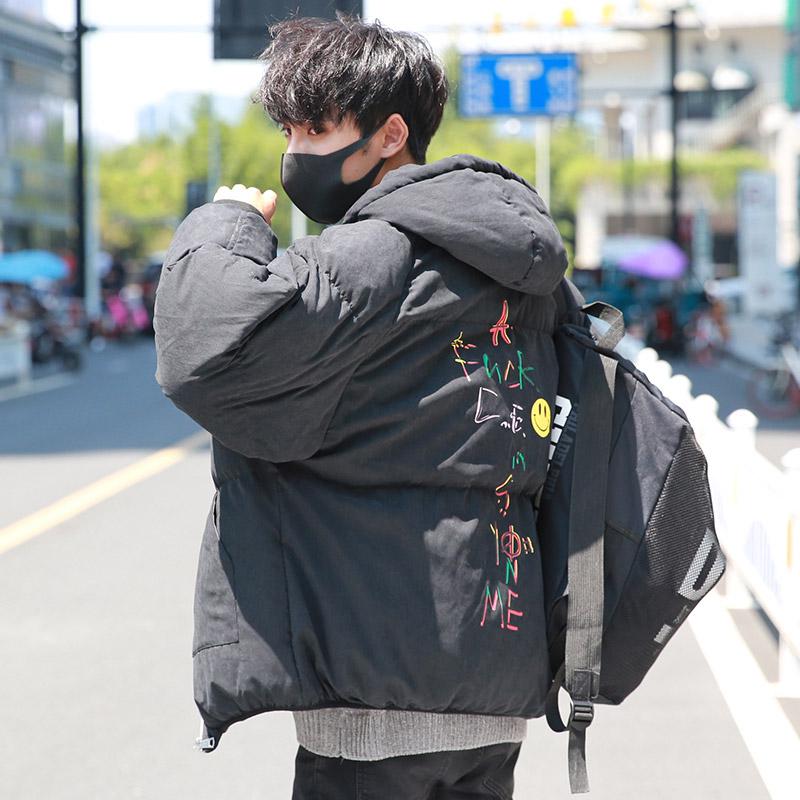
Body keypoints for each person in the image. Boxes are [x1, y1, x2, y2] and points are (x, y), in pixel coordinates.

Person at [153, 14, 568, 800]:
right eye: (288, 131)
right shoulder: (516, 269)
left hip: (378, 686)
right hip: (493, 674)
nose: (295, 153)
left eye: (316, 129)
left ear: (391, 135)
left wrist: (224, 226)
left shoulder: (372, 255)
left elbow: (205, 351)